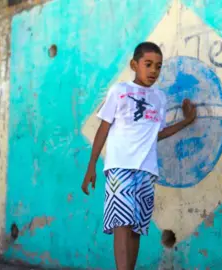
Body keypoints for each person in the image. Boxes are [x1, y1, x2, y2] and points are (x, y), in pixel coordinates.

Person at [81, 42, 197, 270]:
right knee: (121, 225)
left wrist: (187, 121)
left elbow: (158, 134)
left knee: (135, 228)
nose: (154, 70)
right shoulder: (119, 91)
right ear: (134, 65)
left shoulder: (160, 99)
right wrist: (91, 165)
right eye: (148, 64)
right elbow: (103, 128)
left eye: (158, 66)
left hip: (146, 171)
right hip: (120, 168)